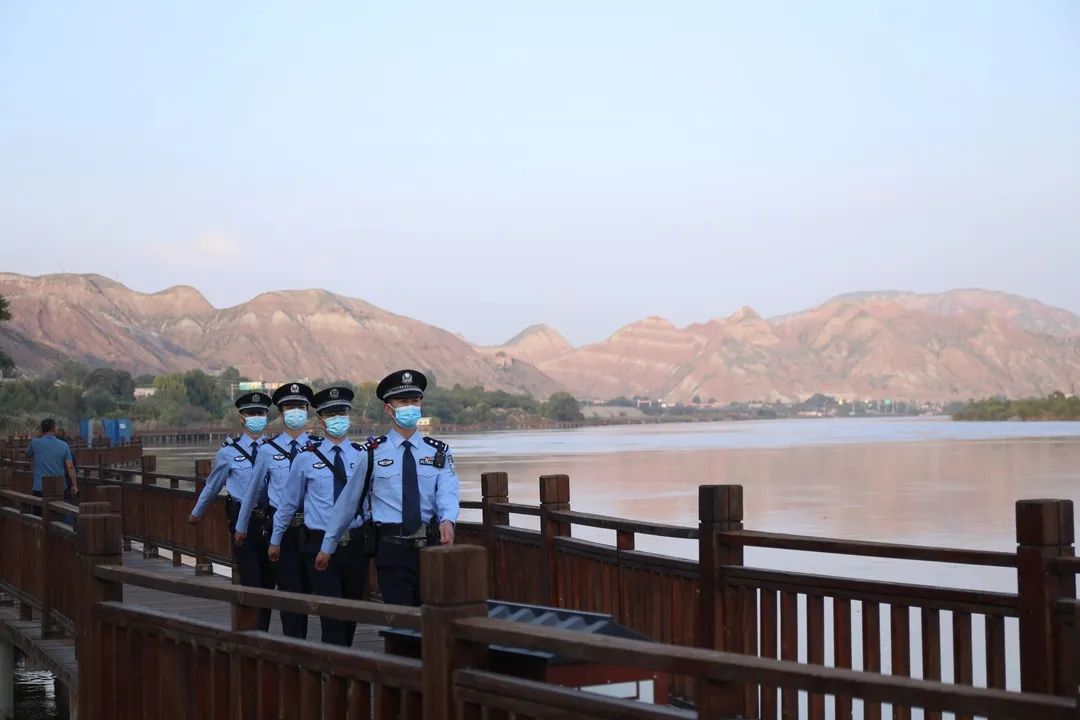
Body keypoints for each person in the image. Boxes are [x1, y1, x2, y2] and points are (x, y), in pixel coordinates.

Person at [324, 369, 459, 607]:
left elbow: (447, 490)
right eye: (403, 402)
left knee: (432, 617)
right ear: (389, 409)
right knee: (400, 619)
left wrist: (448, 519)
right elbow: (348, 502)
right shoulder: (372, 453)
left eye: (415, 401)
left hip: (430, 547)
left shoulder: (438, 451)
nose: (410, 407)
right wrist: (328, 546)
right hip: (391, 548)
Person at [269, 386, 367, 646]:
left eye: (342, 412)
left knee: (351, 612)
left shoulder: (363, 456)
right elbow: (288, 503)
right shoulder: (305, 458)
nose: (338, 418)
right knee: (331, 615)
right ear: (321, 419)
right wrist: (276, 539)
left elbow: (369, 500)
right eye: (331, 414)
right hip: (319, 544)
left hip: (354, 544)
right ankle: (332, 665)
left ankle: (343, 660)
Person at [188, 391, 276, 631]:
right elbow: (213, 485)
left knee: (269, 582)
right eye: (252, 413)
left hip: (271, 521)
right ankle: (255, 632)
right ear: (242, 418)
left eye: (261, 413)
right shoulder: (229, 452)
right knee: (251, 580)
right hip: (242, 523)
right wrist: (197, 513)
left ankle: (264, 630)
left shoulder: (275, 448)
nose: (257, 417)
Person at [234, 382, 315, 638]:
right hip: (283, 529)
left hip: (313, 529)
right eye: (290, 407)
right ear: (281, 413)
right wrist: (241, 526)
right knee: (290, 592)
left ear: (307, 411)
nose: (296, 412)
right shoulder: (268, 450)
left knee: (317, 592)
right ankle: (294, 646)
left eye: (300, 407)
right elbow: (254, 492)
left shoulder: (319, 447)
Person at [25, 418, 80, 515]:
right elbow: (70, 467)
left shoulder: (35, 443)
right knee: (58, 517)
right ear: (54, 429)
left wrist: (38, 435)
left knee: (39, 517)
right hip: (59, 487)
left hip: (40, 487)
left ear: (42, 430)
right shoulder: (64, 445)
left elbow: (27, 453)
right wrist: (74, 486)